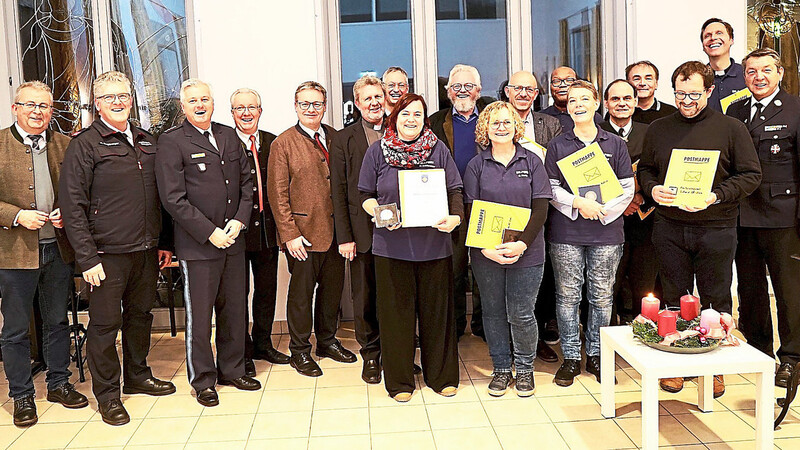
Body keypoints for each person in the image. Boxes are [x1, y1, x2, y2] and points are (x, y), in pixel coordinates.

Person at [639, 61, 761, 397]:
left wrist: (716, 195)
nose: (686, 100)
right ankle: (677, 365)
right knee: (675, 299)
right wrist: (652, 190)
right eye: (680, 94)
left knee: (716, 299)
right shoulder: (660, 128)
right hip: (669, 227)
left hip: (716, 228)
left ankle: (714, 370)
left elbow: (751, 175)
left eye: (694, 93)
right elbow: (646, 170)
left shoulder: (732, 128)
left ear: (709, 91)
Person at [61, 71, 175, 426]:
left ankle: (138, 376)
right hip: (105, 255)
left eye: (123, 95)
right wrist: (87, 257)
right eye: (109, 97)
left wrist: (165, 242)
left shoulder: (146, 139)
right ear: (97, 103)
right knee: (105, 325)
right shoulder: (85, 144)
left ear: (131, 97)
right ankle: (108, 394)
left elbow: (163, 195)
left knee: (140, 316)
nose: (118, 102)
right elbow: (72, 205)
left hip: (145, 250)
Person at [156, 79, 260, 408]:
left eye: (205, 99)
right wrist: (209, 231)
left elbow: (246, 182)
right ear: (183, 107)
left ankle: (232, 369)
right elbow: (173, 198)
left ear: (212, 103)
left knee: (234, 311)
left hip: (233, 240)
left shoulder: (228, 135)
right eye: (193, 101)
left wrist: (239, 220)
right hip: (198, 246)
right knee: (199, 319)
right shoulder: (172, 142)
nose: (200, 105)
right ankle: (203, 379)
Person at [358, 93, 462, 402]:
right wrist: (380, 213)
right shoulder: (378, 152)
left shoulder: (438, 149)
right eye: (405, 114)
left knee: (437, 317)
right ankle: (400, 382)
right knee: (395, 318)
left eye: (417, 114)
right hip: (391, 247)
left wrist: (455, 217)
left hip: (434, 246)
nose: (411, 119)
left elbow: (455, 188)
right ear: (395, 117)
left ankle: (442, 377)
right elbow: (365, 194)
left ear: (424, 119)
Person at [0, 81, 88, 427]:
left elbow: (80, 192)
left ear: (52, 111)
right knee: (16, 329)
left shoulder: (65, 145)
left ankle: (58, 383)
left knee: (57, 322)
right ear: (15, 108)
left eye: (45, 106)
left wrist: (67, 211)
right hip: (14, 255)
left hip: (57, 250)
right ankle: (21, 395)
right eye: (30, 105)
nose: (38, 111)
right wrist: (17, 216)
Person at [545, 80, 634, 387]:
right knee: (567, 296)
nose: (578, 104)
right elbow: (551, 188)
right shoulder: (557, 146)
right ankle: (570, 357)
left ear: (598, 104)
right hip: (567, 231)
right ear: (567, 107)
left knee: (601, 297)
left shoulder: (614, 144)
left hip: (606, 234)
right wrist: (577, 203)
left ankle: (596, 355)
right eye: (572, 100)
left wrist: (601, 211)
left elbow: (627, 187)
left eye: (585, 99)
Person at [463, 101, 551, 397]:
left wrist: (522, 243)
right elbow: (470, 209)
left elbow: (540, 208)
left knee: (522, 313)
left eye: (506, 121)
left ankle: (525, 369)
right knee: (493, 312)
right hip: (486, 254)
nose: (501, 127)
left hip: (527, 252)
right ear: (484, 129)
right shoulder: (476, 165)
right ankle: (501, 368)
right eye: (494, 122)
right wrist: (486, 248)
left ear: (517, 126)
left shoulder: (532, 161)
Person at [268, 81, 355, 378]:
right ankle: (300, 350)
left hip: (336, 233)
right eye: (304, 104)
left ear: (325, 106)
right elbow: (277, 194)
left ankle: (327, 341)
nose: (311, 109)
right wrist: (289, 235)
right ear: (295, 106)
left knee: (332, 293)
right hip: (303, 236)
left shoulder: (335, 137)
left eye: (316, 103)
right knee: (301, 297)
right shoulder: (283, 143)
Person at [727, 48, 800, 387]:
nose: (758, 77)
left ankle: (792, 358)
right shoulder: (736, 110)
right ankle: (759, 351)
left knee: (788, 290)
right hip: (742, 215)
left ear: (780, 73)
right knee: (751, 288)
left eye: (766, 70)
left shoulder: (796, 109)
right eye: (751, 71)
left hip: (783, 216)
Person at [229, 88, 290, 376]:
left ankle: (263, 343)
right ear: (232, 113)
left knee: (266, 291)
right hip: (236, 232)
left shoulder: (272, 142)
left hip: (267, 231)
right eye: (239, 108)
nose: (246, 113)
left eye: (251, 107)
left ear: (260, 111)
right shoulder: (225, 142)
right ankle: (243, 351)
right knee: (238, 294)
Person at [504, 70, 563, 363]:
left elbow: (560, 165)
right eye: (518, 88)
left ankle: (535, 338)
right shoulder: (496, 121)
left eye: (530, 89)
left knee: (537, 278)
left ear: (537, 94)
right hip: (505, 209)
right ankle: (505, 344)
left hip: (542, 208)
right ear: (507, 91)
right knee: (505, 275)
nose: (524, 94)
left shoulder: (550, 124)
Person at [430, 64, 491, 340]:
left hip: (486, 205)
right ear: (448, 92)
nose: (462, 91)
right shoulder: (434, 121)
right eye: (456, 86)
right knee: (452, 270)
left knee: (483, 270)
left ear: (478, 91)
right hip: (450, 207)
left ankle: (482, 324)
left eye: (468, 86)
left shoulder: (492, 119)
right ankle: (454, 326)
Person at [330, 75, 384, 383]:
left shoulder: (398, 130)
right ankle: (372, 356)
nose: (374, 102)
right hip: (361, 233)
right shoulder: (343, 139)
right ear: (358, 104)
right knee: (364, 297)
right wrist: (345, 237)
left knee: (393, 297)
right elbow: (338, 191)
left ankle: (395, 352)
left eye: (379, 96)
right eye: (368, 98)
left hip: (398, 233)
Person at [600, 80, 657, 323]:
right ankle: (608, 336)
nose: (621, 103)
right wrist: (621, 202)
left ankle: (642, 333)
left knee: (643, 285)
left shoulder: (652, 132)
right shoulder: (595, 133)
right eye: (615, 99)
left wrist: (639, 196)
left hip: (645, 220)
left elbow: (659, 170)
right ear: (606, 104)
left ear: (635, 101)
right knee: (608, 285)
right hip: (607, 222)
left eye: (627, 98)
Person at [701, 18, 746, 112]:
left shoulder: (747, 74)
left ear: (731, 40)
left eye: (719, 33)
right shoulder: (698, 77)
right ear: (703, 46)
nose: (713, 38)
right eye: (707, 36)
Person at [541, 66, 602, 131]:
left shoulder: (592, 116)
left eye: (569, 80)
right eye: (556, 81)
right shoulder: (541, 118)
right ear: (550, 86)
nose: (562, 85)